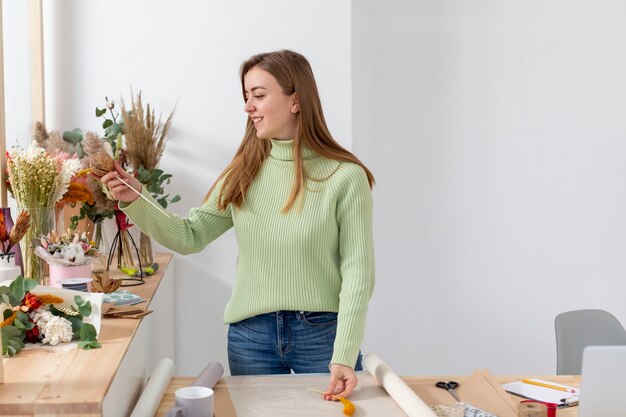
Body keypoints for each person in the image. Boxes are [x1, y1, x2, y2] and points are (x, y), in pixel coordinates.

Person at [100, 50, 375, 400]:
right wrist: (136, 198)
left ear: (296, 100)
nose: (248, 106)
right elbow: (190, 237)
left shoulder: (344, 177)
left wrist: (345, 352)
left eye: (259, 95)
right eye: (246, 97)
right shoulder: (243, 171)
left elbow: (359, 273)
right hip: (251, 336)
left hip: (321, 335)